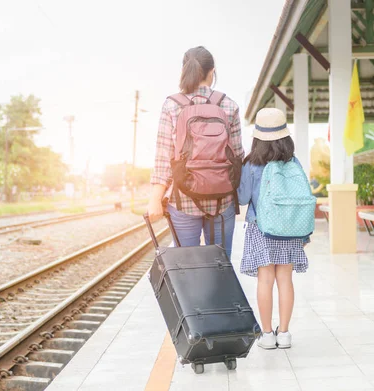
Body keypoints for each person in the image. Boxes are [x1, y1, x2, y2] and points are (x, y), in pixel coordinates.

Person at [147, 46, 244, 259]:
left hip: (183, 199)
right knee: (220, 266)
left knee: (186, 268)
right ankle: (219, 292)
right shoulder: (228, 105)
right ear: (212, 71)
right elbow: (237, 156)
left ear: (185, 70)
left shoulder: (172, 106)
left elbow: (164, 156)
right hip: (222, 200)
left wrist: (155, 198)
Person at [237, 107, 310, 350]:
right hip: (289, 227)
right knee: (285, 280)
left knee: (265, 280)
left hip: (262, 228)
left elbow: (243, 198)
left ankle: (267, 335)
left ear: (258, 137)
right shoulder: (293, 162)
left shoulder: (251, 164)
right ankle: (285, 333)